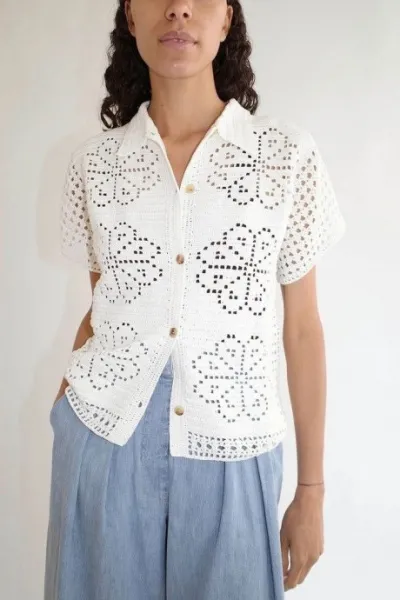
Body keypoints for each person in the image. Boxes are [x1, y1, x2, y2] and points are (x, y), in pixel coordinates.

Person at [44, 1, 346, 599]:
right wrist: (66, 410)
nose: (179, 8)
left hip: (235, 444)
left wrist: (311, 491)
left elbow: (303, 328)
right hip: (103, 437)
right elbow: (106, 305)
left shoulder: (284, 156)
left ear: (227, 18)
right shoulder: (96, 165)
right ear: (131, 17)